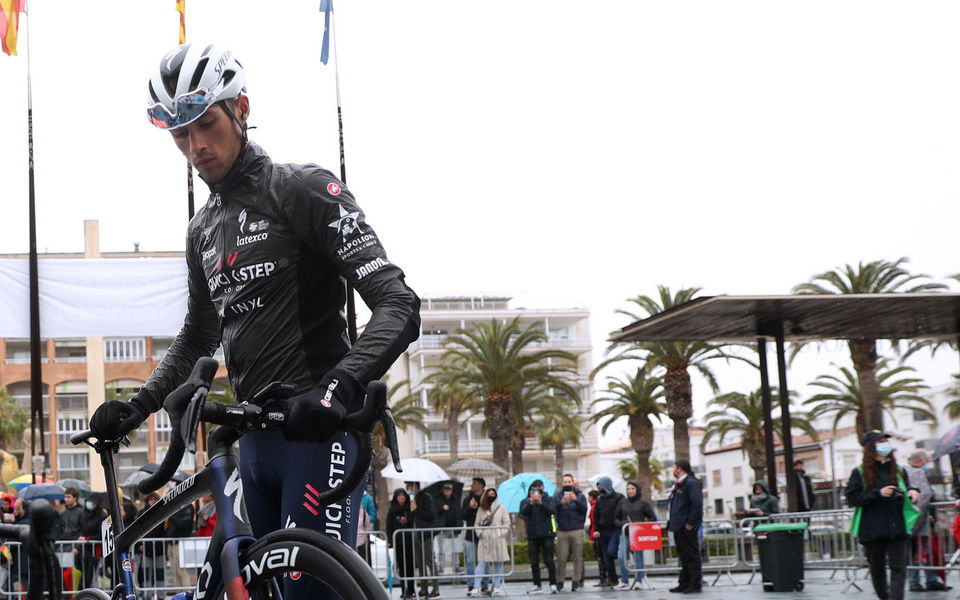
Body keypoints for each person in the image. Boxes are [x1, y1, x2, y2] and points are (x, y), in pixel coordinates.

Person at [87, 42, 420, 600]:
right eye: (179, 135)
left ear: (241, 107)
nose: (195, 146)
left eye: (206, 124)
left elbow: (398, 303)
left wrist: (337, 387)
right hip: (253, 443)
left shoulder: (304, 189)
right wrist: (139, 404)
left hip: (319, 435)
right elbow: (199, 333)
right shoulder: (202, 230)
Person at [845, 431, 921, 600]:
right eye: (880, 441)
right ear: (870, 447)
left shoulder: (900, 470)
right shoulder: (859, 472)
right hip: (872, 528)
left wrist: (913, 492)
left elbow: (908, 488)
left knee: (899, 568)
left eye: (886, 440)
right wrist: (877, 493)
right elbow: (852, 498)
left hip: (897, 526)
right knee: (877, 570)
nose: (885, 443)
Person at [902, 449, 950, 592]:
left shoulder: (906, 471)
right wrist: (919, 515)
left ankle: (927, 579)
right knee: (919, 550)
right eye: (928, 459)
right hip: (919, 518)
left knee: (923, 550)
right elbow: (925, 494)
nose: (929, 463)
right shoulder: (916, 473)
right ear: (920, 460)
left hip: (917, 518)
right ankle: (920, 580)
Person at [667, 459, 703, 594]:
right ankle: (684, 582)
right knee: (683, 555)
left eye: (675, 467)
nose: (673, 470)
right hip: (678, 525)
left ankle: (695, 583)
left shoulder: (691, 483)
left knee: (691, 555)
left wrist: (691, 522)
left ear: (680, 469)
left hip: (686, 525)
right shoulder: (679, 484)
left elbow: (696, 504)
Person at [519, 479, 559, 594]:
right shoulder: (525, 501)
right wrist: (531, 503)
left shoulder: (548, 499)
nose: (535, 491)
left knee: (549, 559)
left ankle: (553, 583)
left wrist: (541, 503)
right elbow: (523, 514)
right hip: (533, 534)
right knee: (533, 560)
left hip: (547, 534)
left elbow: (552, 511)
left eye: (538, 488)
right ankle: (537, 584)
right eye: (533, 489)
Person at [615, 480, 657, 590]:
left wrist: (643, 527)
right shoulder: (622, 502)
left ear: (637, 490)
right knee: (621, 556)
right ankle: (624, 581)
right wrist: (621, 524)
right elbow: (616, 518)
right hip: (625, 534)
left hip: (638, 535)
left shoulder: (644, 503)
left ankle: (639, 580)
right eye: (628, 489)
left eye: (632, 488)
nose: (630, 491)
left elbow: (652, 517)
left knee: (638, 558)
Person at [553, 473, 587, 592]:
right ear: (562, 483)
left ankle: (576, 581)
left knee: (577, 557)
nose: (567, 484)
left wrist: (576, 500)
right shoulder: (557, 495)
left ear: (573, 483)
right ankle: (560, 581)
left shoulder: (580, 495)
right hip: (562, 531)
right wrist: (560, 503)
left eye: (569, 482)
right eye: (565, 482)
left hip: (577, 529)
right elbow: (552, 510)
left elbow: (584, 509)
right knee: (562, 557)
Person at [472, 488, 508, 598]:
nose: (491, 496)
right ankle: (476, 587)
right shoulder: (481, 509)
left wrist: (500, 533)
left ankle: (496, 587)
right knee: (482, 563)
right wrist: (480, 533)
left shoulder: (502, 508)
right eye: (489, 494)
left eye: (493, 494)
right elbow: (476, 524)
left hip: (498, 538)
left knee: (498, 563)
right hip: (485, 539)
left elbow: (507, 523)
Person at [592, 476, 624, 588]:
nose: (599, 487)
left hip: (615, 530)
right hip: (602, 531)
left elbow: (622, 512)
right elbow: (595, 515)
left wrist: (619, 523)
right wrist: (596, 529)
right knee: (606, 558)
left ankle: (621, 576)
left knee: (611, 552)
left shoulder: (619, 497)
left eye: (600, 485)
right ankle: (613, 579)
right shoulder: (600, 499)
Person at [410, 481, 440, 598]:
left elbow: (431, 515)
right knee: (420, 562)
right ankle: (424, 588)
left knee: (429, 561)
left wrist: (417, 509)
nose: (409, 489)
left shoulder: (426, 498)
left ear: (415, 487)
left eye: (410, 486)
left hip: (425, 534)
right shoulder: (415, 499)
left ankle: (435, 588)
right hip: (416, 533)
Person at [387, 489, 417, 600]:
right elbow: (389, 526)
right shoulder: (392, 510)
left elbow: (412, 523)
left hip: (409, 541)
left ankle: (411, 589)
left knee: (410, 566)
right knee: (402, 567)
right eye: (399, 495)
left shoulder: (409, 509)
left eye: (403, 495)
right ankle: (403, 589)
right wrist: (390, 541)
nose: (401, 497)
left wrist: (409, 517)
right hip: (399, 542)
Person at [461, 477, 489, 596]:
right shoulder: (468, 498)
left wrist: (478, 507)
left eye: (475, 483)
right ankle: (471, 584)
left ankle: (484, 584)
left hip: (484, 534)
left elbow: (489, 514)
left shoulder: (487, 499)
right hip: (470, 534)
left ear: (481, 485)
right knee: (470, 560)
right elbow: (463, 515)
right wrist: (470, 508)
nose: (472, 485)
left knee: (485, 560)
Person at [79, 495, 107, 589]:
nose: (89, 504)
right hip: (85, 550)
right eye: (88, 502)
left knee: (94, 576)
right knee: (85, 575)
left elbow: (102, 535)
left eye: (92, 502)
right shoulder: (84, 515)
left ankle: (95, 594)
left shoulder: (102, 516)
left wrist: (88, 538)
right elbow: (82, 529)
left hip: (96, 550)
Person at [437, 482, 461, 574]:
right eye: (445, 489)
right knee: (441, 549)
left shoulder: (455, 499)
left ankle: (456, 566)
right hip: (443, 528)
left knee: (455, 549)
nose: (447, 491)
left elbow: (459, 513)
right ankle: (441, 567)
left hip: (454, 528)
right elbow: (435, 512)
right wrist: (442, 508)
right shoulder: (438, 500)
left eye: (449, 489)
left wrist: (459, 525)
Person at [587, 489, 608, 587]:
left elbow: (593, 524)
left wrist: (591, 538)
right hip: (600, 534)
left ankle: (603, 578)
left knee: (600, 557)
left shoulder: (594, 507)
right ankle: (605, 578)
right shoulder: (597, 505)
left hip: (596, 535)